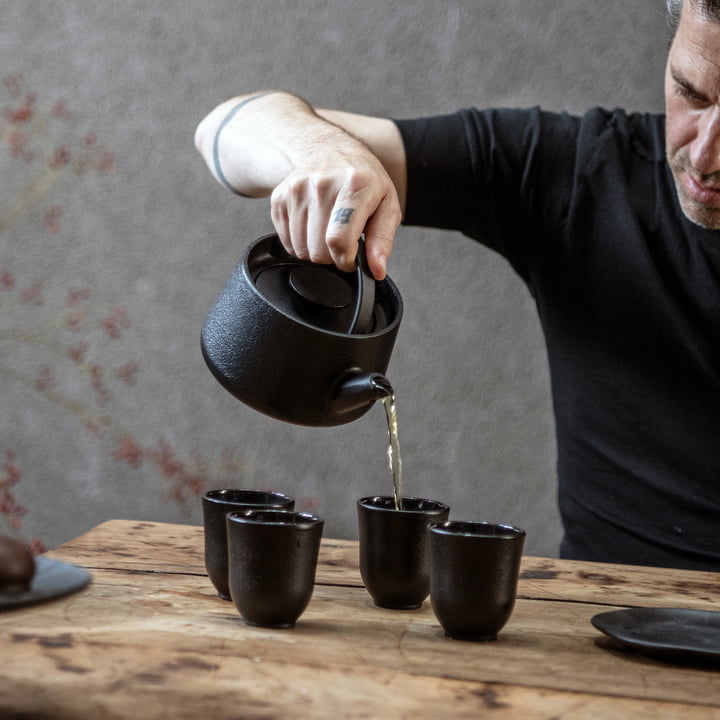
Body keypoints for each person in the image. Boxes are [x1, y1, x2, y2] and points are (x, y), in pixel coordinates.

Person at [195, 0, 720, 571]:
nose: (703, 154)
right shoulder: (581, 174)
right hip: (603, 622)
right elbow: (224, 130)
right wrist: (328, 155)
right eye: (691, 95)